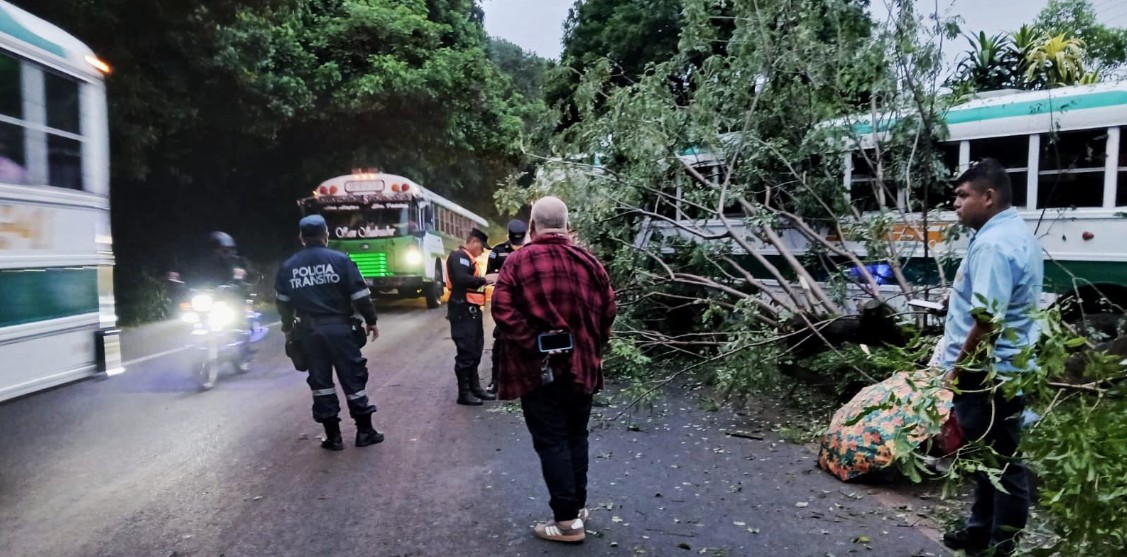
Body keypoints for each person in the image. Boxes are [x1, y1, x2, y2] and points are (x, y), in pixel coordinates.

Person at [491, 196, 617, 544]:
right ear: (567, 226)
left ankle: (566, 523)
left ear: (532, 227)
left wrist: (534, 342)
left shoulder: (517, 262)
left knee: (552, 441)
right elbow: (609, 309)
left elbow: (502, 311)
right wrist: (592, 341)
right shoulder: (590, 263)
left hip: (538, 371)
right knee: (576, 436)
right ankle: (576, 508)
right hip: (583, 366)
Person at [939, 159, 1043, 557]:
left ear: (989, 196)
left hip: (989, 374)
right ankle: (980, 530)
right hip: (1008, 369)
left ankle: (1001, 544)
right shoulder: (1012, 233)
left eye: (963, 196)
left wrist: (958, 370)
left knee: (1003, 463)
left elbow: (986, 323)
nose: (956, 204)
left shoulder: (994, 244)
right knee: (986, 457)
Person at [275, 215, 383, 451]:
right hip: (340, 330)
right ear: (326, 235)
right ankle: (365, 431)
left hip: (308, 332)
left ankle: (333, 437)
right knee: (353, 378)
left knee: (321, 382)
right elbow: (360, 296)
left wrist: (287, 328)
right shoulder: (341, 260)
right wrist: (371, 321)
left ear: (301, 237)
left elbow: (283, 303)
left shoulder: (288, 266)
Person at [446, 227, 498, 405]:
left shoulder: (469, 259)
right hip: (462, 311)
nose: (482, 252)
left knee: (475, 350)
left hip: (472, 311)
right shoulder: (459, 257)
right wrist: (485, 279)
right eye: (482, 247)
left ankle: (475, 388)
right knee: (466, 352)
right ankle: (464, 393)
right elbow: (461, 279)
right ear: (474, 242)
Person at [485, 219, 528, 394]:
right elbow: (488, 275)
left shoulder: (530, 250)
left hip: (525, 303)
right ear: (508, 236)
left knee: (526, 340)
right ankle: (496, 381)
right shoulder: (497, 252)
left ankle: (525, 380)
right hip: (505, 303)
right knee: (500, 342)